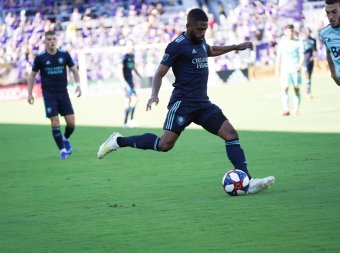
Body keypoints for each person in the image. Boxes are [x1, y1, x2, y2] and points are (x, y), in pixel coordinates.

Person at [97, 8, 275, 195]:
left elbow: (211, 50)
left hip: (202, 104)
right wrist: (154, 94)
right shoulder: (176, 46)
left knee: (231, 134)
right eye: (199, 29)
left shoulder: (200, 40)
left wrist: (235, 46)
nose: (202, 33)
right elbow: (159, 73)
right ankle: (118, 141)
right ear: (188, 26)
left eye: (205, 29)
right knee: (164, 145)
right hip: (183, 104)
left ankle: (248, 181)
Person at [27, 30, 82, 159]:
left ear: (56, 41)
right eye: (49, 39)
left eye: (53, 39)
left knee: (71, 123)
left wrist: (78, 86)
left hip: (63, 93)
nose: (51, 41)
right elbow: (32, 75)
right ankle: (62, 150)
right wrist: (29, 94)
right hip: (49, 95)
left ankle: (65, 138)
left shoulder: (64, 54)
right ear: (45, 41)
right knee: (55, 122)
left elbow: (74, 69)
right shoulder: (40, 57)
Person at [275, 24, 304, 116]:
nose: (290, 33)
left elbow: (302, 56)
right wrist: (277, 69)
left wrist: (300, 65)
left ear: (293, 31)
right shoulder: (282, 43)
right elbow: (278, 57)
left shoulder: (298, 42)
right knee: (285, 88)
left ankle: (296, 109)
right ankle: (286, 109)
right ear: (285, 32)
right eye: (288, 31)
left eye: (291, 31)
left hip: (295, 69)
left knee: (296, 89)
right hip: (285, 69)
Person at [121, 39, 142, 128]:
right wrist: (123, 81)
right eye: (129, 45)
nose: (131, 46)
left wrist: (139, 75)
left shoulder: (132, 56)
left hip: (130, 81)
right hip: (126, 82)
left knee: (128, 100)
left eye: (132, 44)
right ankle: (131, 119)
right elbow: (120, 69)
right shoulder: (124, 57)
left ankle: (125, 122)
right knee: (134, 98)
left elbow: (133, 67)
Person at [320, 0, 340, 86]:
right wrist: (333, 73)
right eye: (327, 13)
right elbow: (329, 52)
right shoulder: (325, 33)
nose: (330, 16)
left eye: (334, 12)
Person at [301, 28, 317, 99]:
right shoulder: (302, 41)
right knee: (306, 75)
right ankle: (308, 92)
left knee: (309, 76)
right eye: (307, 32)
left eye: (309, 32)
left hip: (311, 60)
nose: (308, 34)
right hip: (304, 60)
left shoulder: (313, 40)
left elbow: (315, 50)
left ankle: (308, 91)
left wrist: (313, 57)